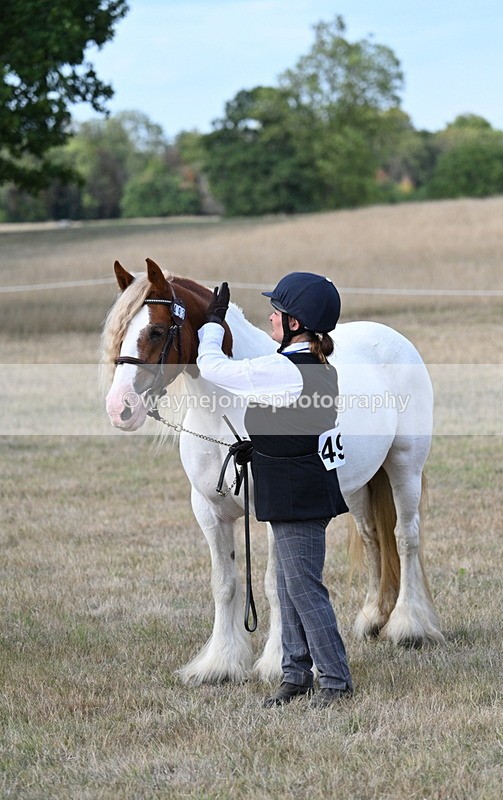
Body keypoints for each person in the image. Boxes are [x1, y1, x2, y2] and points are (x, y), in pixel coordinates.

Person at [197, 272, 353, 709]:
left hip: (296, 495)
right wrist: (261, 444)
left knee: (304, 589)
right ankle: (296, 675)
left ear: (297, 325)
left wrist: (212, 324)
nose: (271, 317)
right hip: (299, 488)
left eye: (278, 313)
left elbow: (214, 368)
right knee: (287, 587)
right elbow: (298, 426)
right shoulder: (315, 365)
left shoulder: (282, 367)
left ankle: (337, 681)